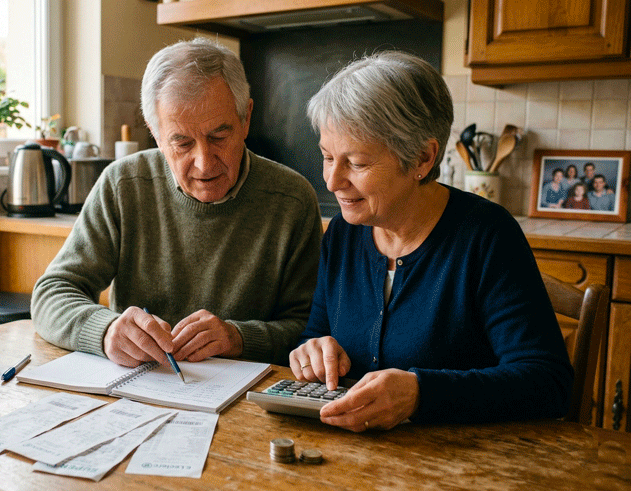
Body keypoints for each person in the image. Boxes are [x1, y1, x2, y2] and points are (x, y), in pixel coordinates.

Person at [290, 51, 572, 431]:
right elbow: (316, 333)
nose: (332, 181)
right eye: (327, 157)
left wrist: (421, 393)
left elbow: (548, 382)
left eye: (355, 163)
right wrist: (313, 351)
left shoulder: (487, 236)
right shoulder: (344, 232)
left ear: (422, 158)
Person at [31, 38, 323, 368]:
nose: (204, 163)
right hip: (140, 390)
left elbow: (311, 331)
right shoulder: (124, 184)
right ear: (156, 135)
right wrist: (105, 329)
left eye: (218, 136)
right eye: (182, 143)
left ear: (246, 119)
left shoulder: (292, 199)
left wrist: (238, 338)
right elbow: (51, 292)